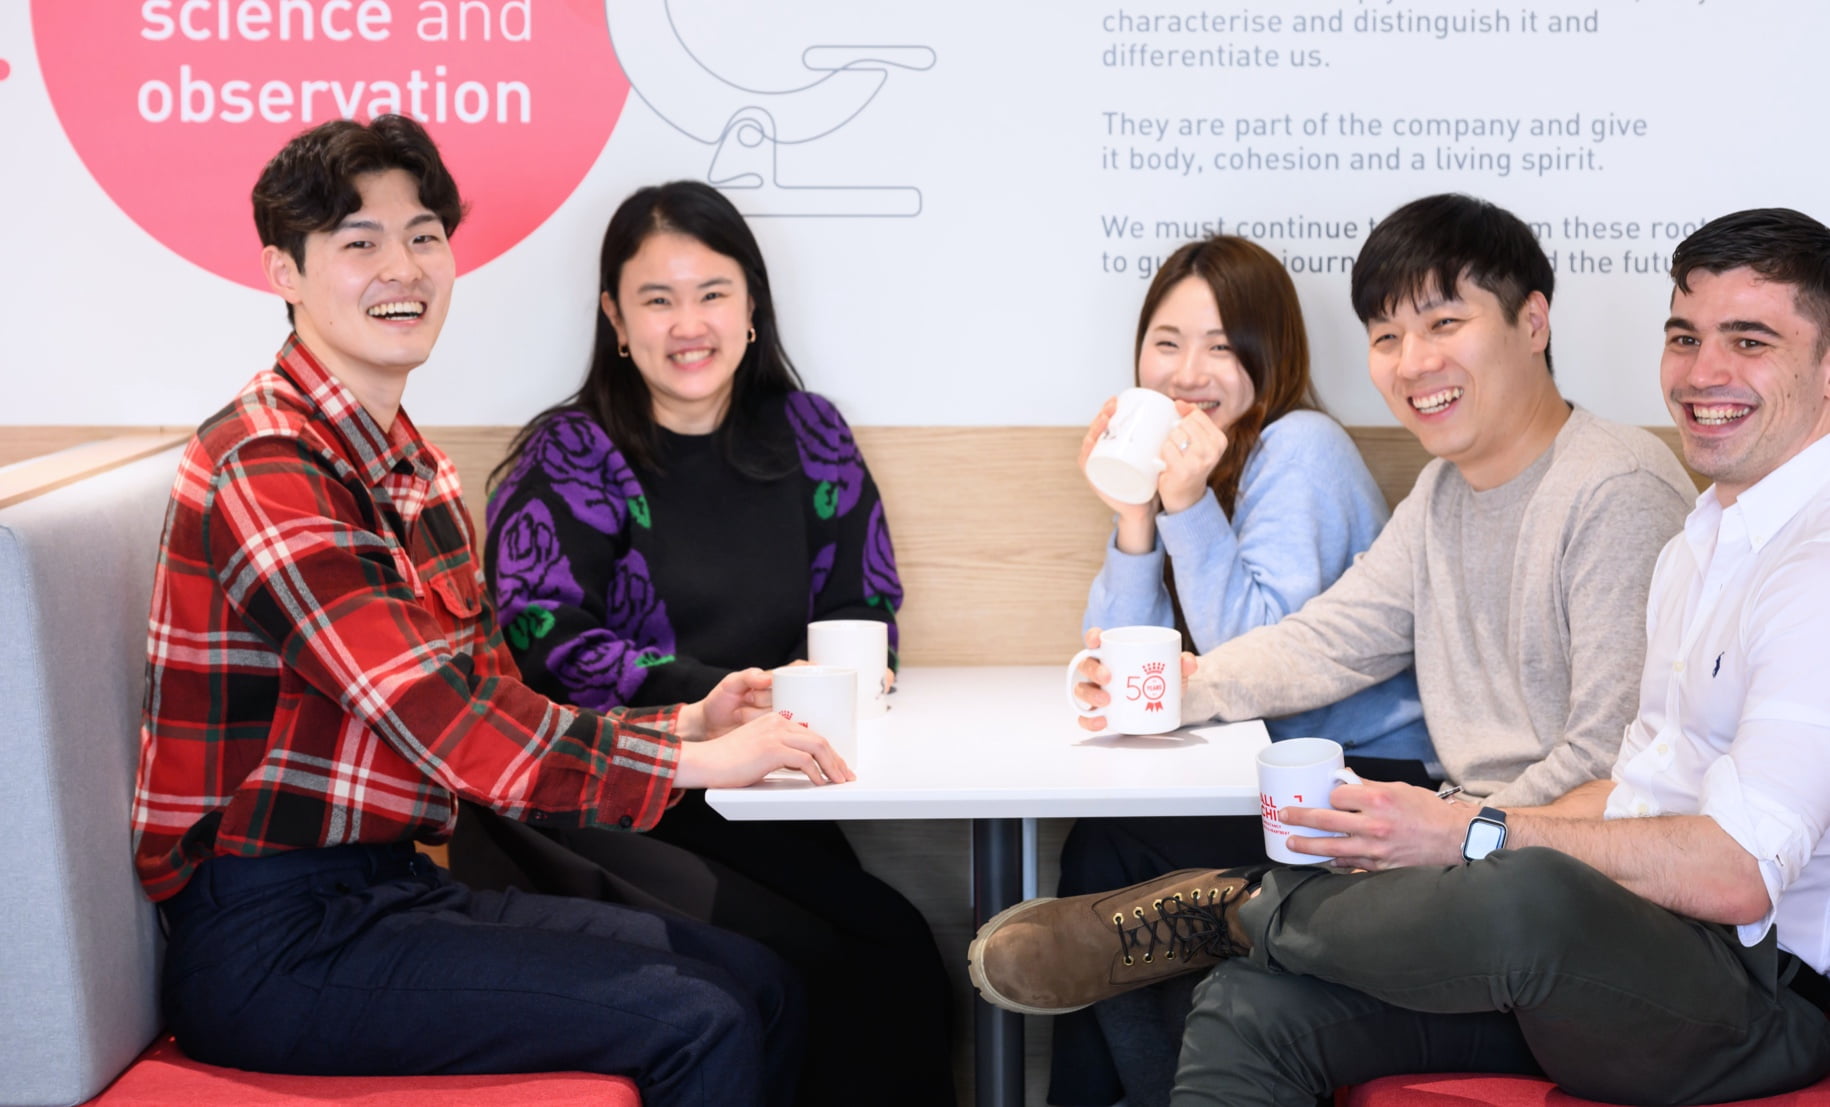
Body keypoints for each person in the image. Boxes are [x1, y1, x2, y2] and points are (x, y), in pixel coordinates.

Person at [971, 205, 1830, 1106]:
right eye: (1685, 337)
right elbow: (1348, 641)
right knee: (1248, 1007)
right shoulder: (1704, 534)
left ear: (1532, 323)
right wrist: (1186, 693)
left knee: (1528, 888)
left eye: (1750, 340)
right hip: (1613, 932)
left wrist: (1464, 832)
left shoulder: (1688, 517)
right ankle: (1253, 919)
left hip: (1758, 986)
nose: (1704, 372)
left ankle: (1245, 907)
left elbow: (1732, 869)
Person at [129, 116, 857, 1107]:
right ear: (284, 273)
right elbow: (440, 716)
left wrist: (686, 719)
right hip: (272, 939)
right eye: (359, 242)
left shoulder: (413, 470)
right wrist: (694, 760)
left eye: (424, 236)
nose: (404, 268)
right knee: (702, 1019)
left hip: (388, 891)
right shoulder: (267, 460)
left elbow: (491, 696)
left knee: (766, 982)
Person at [449, 180, 954, 1106]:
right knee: (827, 966)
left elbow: (867, 606)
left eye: (713, 292)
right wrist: (728, 699)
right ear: (615, 316)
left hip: (777, 794)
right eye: (657, 297)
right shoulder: (565, 456)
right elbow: (545, 648)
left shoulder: (811, 437)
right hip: (610, 808)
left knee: (903, 955)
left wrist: (833, 684)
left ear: (752, 305)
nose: (690, 324)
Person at [1054, 235, 1433, 1105]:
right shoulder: (1199, 467)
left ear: (1272, 358)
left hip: (1366, 782)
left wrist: (1182, 502)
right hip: (1262, 780)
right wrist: (1136, 515)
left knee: (1105, 853)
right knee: (1104, 847)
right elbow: (1128, 666)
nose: (1189, 371)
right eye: (1167, 342)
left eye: (1223, 346)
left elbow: (1253, 662)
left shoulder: (1300, 447)